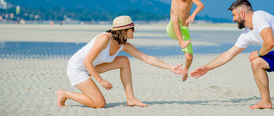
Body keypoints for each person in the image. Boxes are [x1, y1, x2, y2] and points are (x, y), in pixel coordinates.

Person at [57, 16, 187, 108]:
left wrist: (170, 67)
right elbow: (86, 62)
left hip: (92, 67)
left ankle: (130, 99)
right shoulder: (104, 39)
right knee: (99, 103)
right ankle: (65, 94)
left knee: (124, 61)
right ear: (124, 30)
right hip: (77, 68)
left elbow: (146, 58)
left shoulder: (123, 45)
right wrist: (101, 81)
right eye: (133, 29)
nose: (134, 31)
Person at [153, 0, 204, 81]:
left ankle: (185, 71)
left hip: (183, 30)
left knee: (189, 58)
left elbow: (201, 5)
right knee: (175, 17)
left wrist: (193, 14)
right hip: (172, 28)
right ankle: (181, 42)